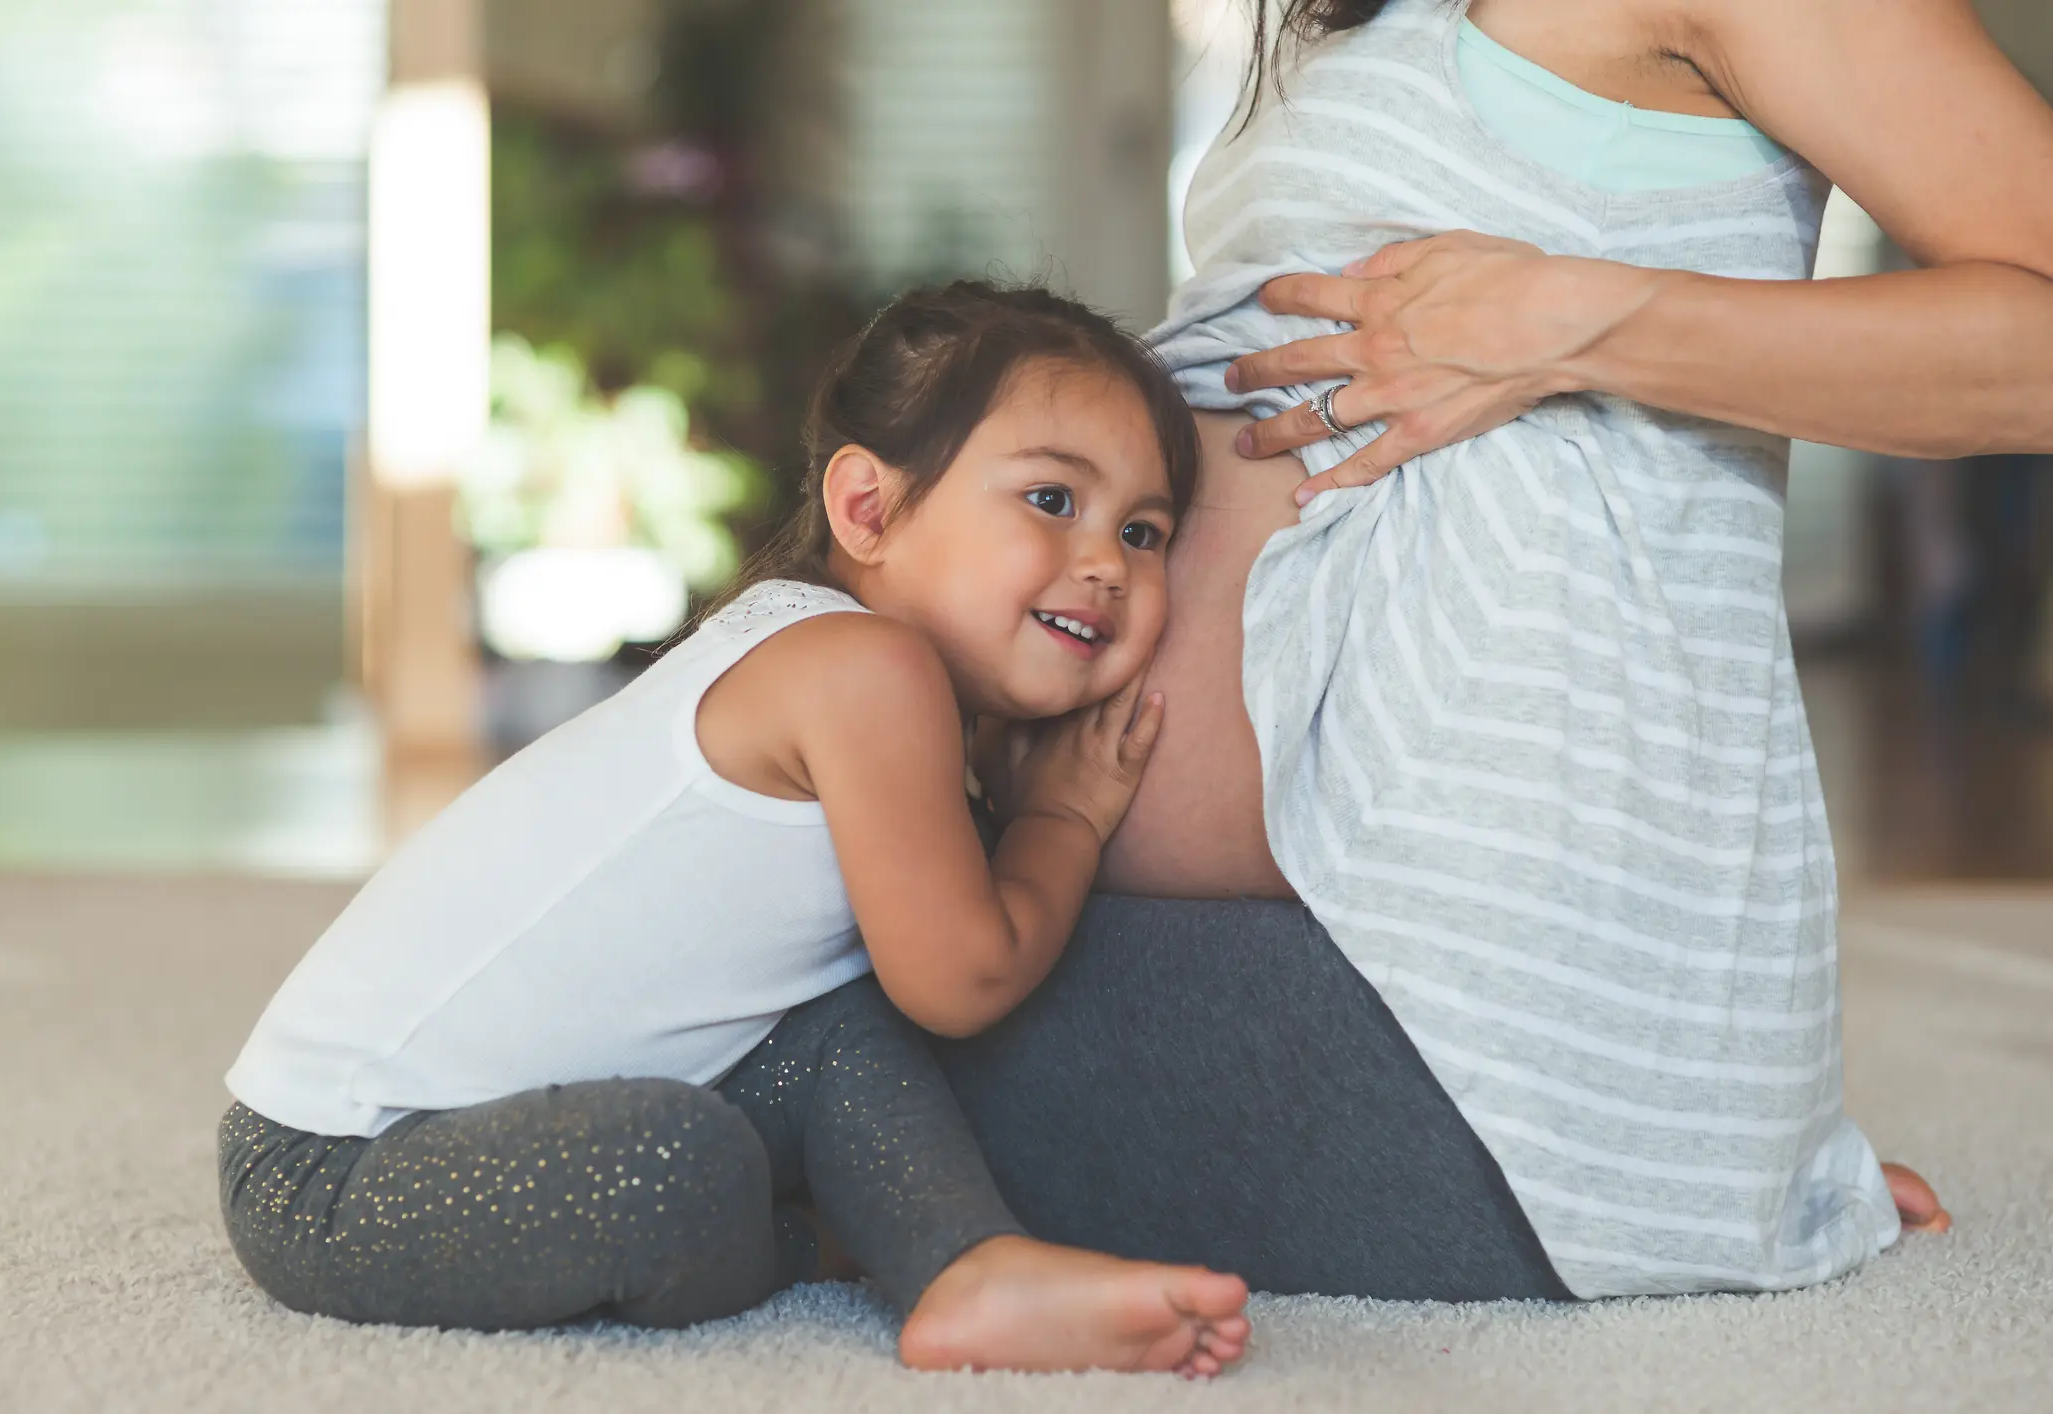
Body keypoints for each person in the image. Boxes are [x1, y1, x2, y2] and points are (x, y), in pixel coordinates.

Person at [941, 0, 2015, 1300]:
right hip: (1210, 932)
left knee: (798, 1033)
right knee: (779, 882)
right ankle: (1676, 1151)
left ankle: (1648, 1154)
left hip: (1437, 1037)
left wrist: (1572, 322)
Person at [217, 282, 1253, 1376]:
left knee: (833, 1032)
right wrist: (1064, 817)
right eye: (1051, 500)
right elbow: (961, 977)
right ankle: (830, 1243)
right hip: (331, 1169)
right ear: (868, 510)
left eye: (1143, 532)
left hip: (501, 1120)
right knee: (677, 1164)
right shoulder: (864, 671)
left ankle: (965, 1267)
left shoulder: (858, 671)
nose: (1107, 563)